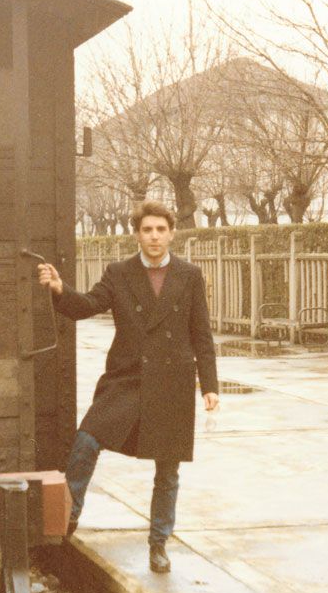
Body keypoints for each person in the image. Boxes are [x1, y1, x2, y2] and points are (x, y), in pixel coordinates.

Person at [37, 200, 219, 573]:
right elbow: (88, 304)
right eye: (147, 230)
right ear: (137, 234)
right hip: (127, 379)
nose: (154, 237)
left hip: (172, 382)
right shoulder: (119, 273)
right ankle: (68, 520)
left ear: (171, 233)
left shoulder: (190, 275)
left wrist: (209, 386)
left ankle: (158, 543)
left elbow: (201, 333)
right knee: (86, 440)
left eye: (161, 230)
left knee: (167, 470)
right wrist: (59, 290)